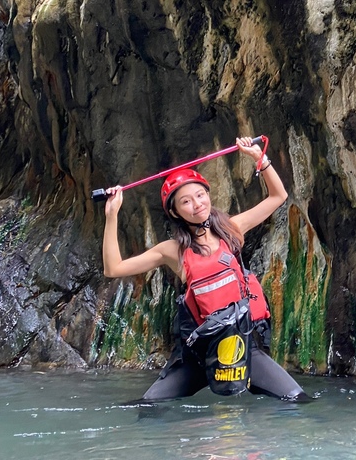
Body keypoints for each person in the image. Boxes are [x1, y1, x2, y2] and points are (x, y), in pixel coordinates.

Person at [102, 136, 309, 402]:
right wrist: (112, 215)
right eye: (186, 201)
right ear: (175, 212)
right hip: (200, 354)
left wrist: (259, 158)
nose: (197, 204)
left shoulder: (231, 230)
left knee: (297, 398)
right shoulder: (173, 250)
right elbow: (114, 268)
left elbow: (277, 196)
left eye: (200, 195)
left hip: (243, 346)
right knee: (146, 405)